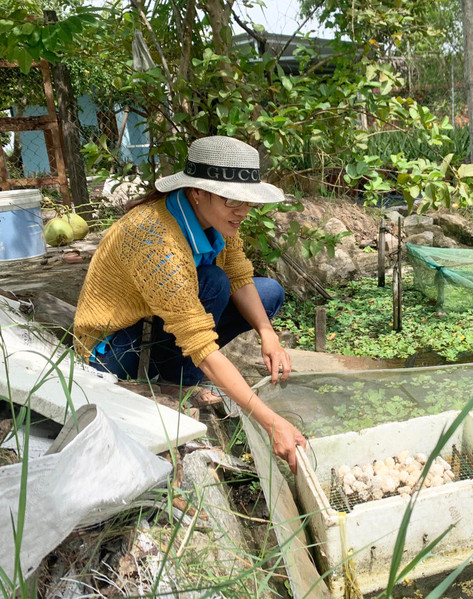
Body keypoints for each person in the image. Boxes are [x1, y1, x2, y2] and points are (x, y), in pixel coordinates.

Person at [73, 136, 307, 472]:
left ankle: (175, 375)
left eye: (248, 201)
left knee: (265, 292)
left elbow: (240, 273)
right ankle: (177, 380)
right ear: (197, 192)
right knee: (212, 282)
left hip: (158, 323)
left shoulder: (221, 221)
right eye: (231, 200)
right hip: (114, 346)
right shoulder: (155, 239)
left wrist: (267, 334)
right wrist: (272, 423)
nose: (242, 211)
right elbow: (197, 338)